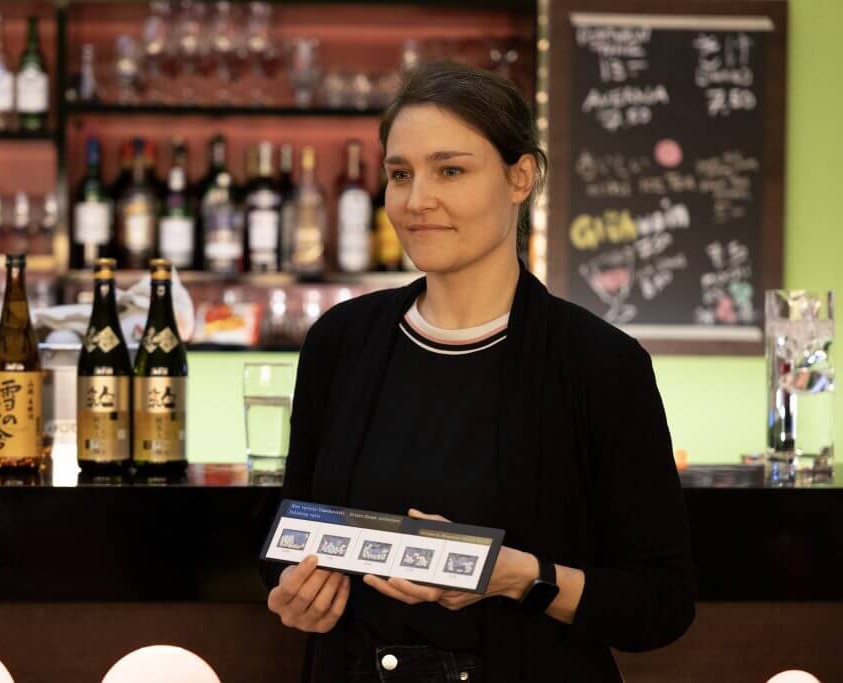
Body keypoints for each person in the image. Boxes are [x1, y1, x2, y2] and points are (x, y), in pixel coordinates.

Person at [261, 61, 695, 682]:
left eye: (451, 170)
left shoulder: (601, 364)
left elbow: (662, 604)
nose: (417, 201)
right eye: (400, 174)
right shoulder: (339, 342)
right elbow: (288, 535)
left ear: (520, 178)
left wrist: (515, 576)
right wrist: (295, 595)